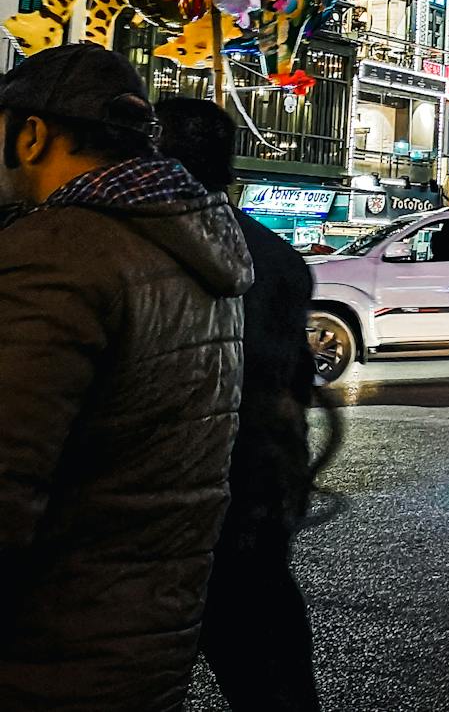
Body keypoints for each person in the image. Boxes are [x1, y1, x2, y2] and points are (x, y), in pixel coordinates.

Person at [0, 45, 251, 711]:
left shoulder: (59, 252)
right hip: (145, 643)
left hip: (43, 654)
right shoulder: (199, 251)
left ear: (30, 134)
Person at [157, 98, 320, 712]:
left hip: (173, 499)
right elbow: (295, 379)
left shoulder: (133, 248)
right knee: (269, 669)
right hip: (258, 489)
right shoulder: (277, 256)